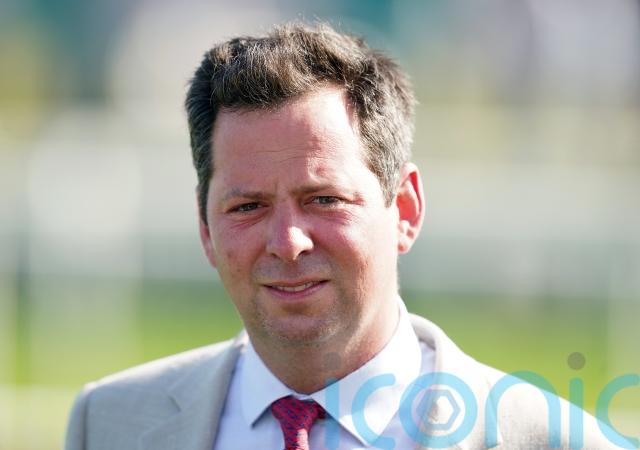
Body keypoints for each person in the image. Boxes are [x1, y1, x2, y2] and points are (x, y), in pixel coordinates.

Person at [65, 22, 629, 450]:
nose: (287, 241)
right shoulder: (109, 424)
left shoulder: (559, 441)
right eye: (248, 207)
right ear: (204, 227)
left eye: (324, 200)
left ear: (404, 208)